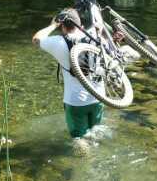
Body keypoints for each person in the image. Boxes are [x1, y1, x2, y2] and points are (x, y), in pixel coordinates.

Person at [32, 8, 104, 147]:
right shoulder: (94, 36)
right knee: (95, 133)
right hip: (98, 97)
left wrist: (53, 25)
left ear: (62, 26)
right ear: (80, 25)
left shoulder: (58, 42)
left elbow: (36, 39)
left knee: (79, 140)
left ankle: (85, 163)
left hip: (76, 102)